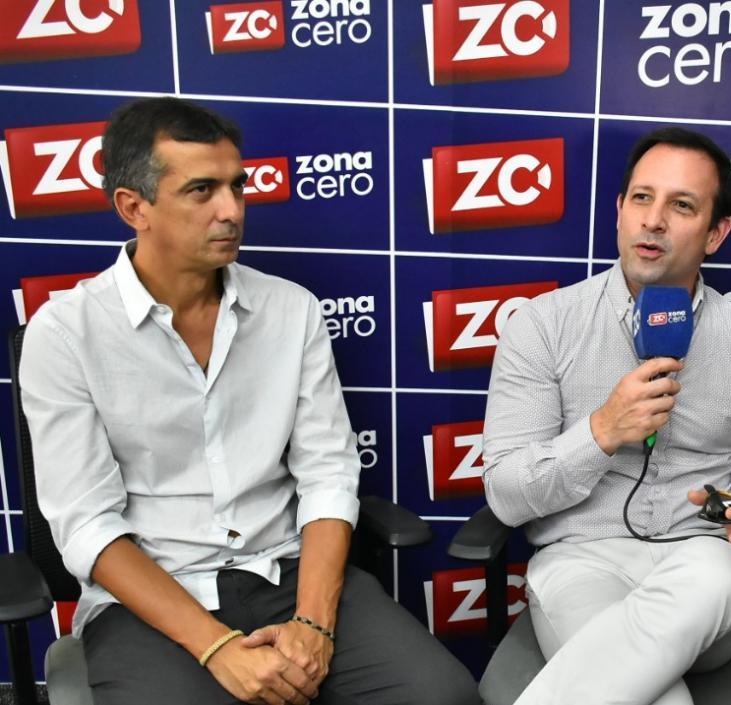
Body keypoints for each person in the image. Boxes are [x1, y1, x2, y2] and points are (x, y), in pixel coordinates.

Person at [19, 97, 478, 705]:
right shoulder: (64, 333)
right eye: (202, 190)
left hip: (287, 575)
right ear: (135, 207)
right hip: (152, 602)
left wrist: (313, 624)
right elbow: (86, 525)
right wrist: (214, 647)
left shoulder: (292, 310)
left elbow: (328, 475)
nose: (231, 210)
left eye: (238, 186)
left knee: (441, 696)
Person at [481, 126, 731, 705]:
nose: (654, 220)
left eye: (681, 205)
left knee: (720, 571)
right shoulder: (542, 326)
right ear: (620, 211)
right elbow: (505, 495)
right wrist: (600, 433)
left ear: (716, 233)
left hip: (705, 569)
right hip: (580, 562)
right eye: (642, 199)